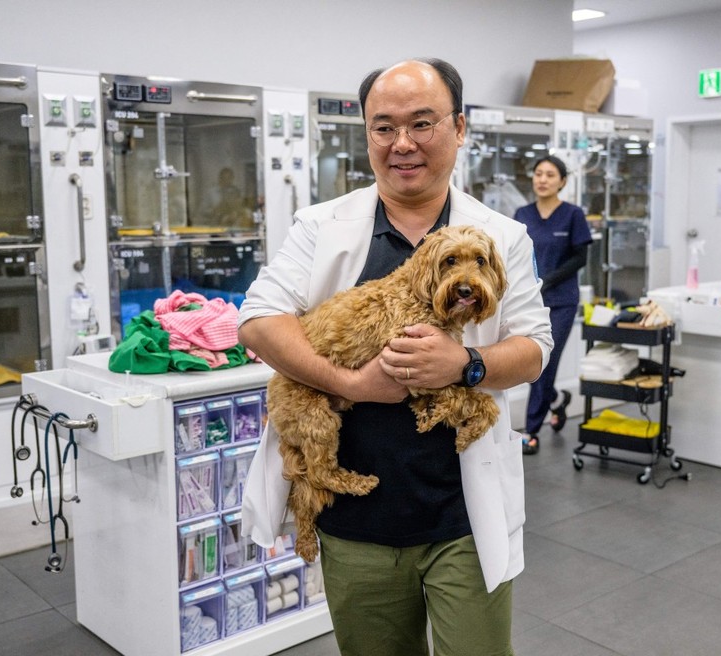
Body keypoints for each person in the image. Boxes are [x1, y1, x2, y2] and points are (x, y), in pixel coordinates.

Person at [238, 58, 552, 656]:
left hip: (462, 517)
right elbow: (258, 321)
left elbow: (535, 348)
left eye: (422, 123)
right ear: (367, 134)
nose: (402, 143)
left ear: (459, 128)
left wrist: (465, 365)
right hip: (357, 522)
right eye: (383, 127)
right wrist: (353, 384)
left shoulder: (501, 235)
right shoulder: (321, 226)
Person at [515, 155, 592, 455]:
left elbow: (581, 258)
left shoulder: (573, 215)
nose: (542, 179)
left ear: (562, 181)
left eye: (550, 175)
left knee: (543, 363)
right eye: (538, 173)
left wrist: (547, 281)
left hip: (561, 302)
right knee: (527, 364)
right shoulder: (522, 214)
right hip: (528, 302)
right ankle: (557, 400)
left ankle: (531, 431)